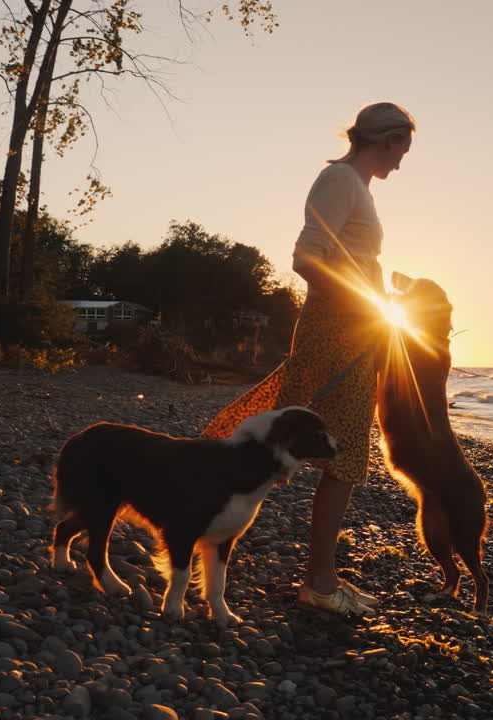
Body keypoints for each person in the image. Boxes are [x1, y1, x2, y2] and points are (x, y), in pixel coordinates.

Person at [201, 102, 415, 615]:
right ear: (384, 139)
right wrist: (360, 308)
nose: (402, 164)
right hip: (339, 330)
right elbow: (305, 257)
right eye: (402, 150)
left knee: (321, 450)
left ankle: (309, 574)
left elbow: (353, 261)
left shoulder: (356, 186)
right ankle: (318, 585)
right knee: (335, 455)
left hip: (353, 329)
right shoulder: (341, 181)